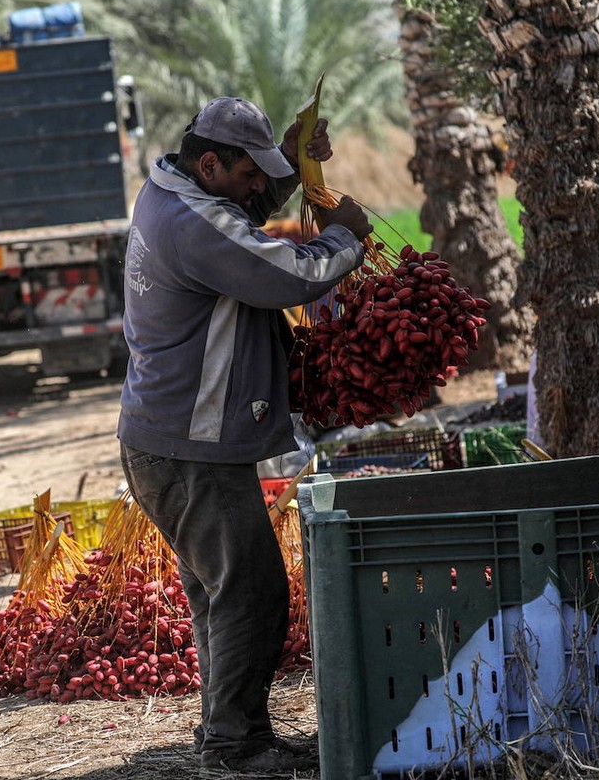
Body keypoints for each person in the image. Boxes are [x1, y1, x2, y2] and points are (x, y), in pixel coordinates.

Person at [117, 97, 372, 772]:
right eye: (249, 173)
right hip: (188, 450)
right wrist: (346, 236)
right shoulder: (194, 223)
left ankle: (231, 734)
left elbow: (243, 212)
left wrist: (287, 162)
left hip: (166, 441)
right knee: (252, 590)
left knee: (222, 592)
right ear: (209, 162)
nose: (261, 189)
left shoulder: (171, 190)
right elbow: (289, 273)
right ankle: (235, 748)